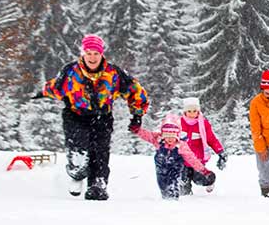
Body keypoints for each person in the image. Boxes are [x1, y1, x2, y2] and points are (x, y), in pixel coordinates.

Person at [36, 34, 149, 200]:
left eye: (96, 53)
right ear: (83, 53)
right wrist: (42, 92)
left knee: (100, 152)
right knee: (79, 149)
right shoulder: (70, 71)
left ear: (102, 54)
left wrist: (137, 115)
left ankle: (98, 184)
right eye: (89, 53)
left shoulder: (113, 73)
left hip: (102, 116)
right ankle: (77, 173)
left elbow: (135, 91)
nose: (92, 57)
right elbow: (56, 86)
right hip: (75, 115)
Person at [133, 114, 216, 199]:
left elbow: (192, 159)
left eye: (172, 136)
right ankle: (166, 199)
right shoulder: (158, 140)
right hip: (161, 168)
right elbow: (146, 135)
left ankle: (173, 199)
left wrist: (203, 170)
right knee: (163, 185)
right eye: (167, 136)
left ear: (177, 135)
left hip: (175, 168)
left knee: (173, 183)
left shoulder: (180, 145)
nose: (169, 139)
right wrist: (137, 130)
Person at [179, 97, 227, 195]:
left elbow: (211, 139)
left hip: (197, 158)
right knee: (183, 182)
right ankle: (186, 201)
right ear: (185, 112)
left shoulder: (203, 124)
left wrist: (220, 152)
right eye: (189, 111)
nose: (192, 113)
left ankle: (210, 179)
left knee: (198, 179)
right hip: (182, 159)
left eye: (195, 111)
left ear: (198, 111)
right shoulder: (179, 123)